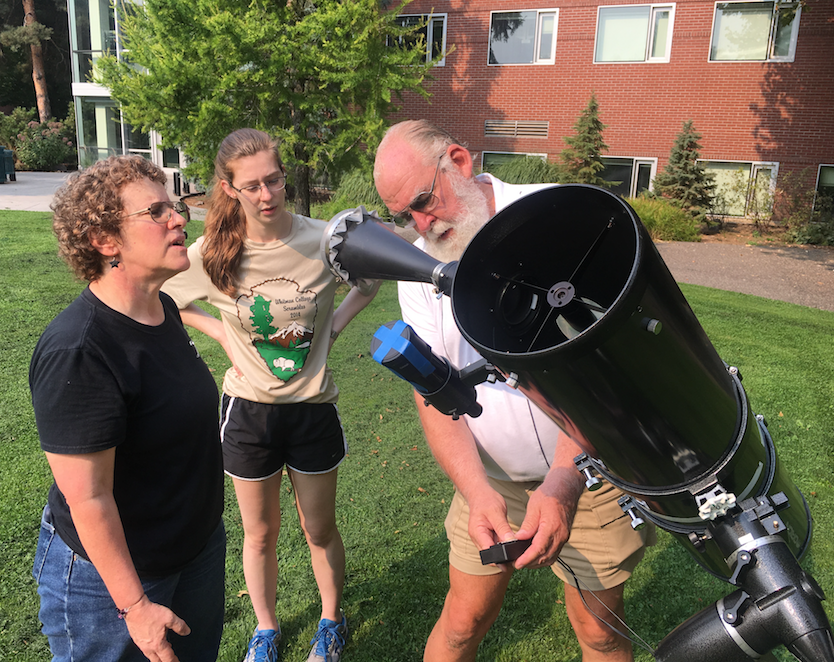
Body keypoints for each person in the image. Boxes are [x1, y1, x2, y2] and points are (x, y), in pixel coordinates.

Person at [373, 119, 655, 662]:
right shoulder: (419, 264)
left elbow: (607, 368)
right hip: (492, 480)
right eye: (405, 213)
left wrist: (563, 480)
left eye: (425, 201)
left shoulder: (559, 216)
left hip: (593, 471)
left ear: (458, 160)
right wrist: (478, 493)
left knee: (599, 631)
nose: (422, 225)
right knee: (463, 620)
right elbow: (430, 389)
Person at [161, 128, 378, 662]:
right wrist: (218, 333)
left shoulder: (323, 240)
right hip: (248, 414)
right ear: (229, 188)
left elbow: (368, 283)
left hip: (312, 411)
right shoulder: (212, 253)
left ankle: (330, 621)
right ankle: (265, 629)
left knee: (318, 528)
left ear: (285, 177)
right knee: (258, 535)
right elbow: (166, 299)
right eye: (252, 185)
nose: (267, 194)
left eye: (274, 180)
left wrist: (332, 331)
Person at [29, 155, 225, 662]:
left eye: (175, 205)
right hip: (112, 584)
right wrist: (136, 607)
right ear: (104, 240)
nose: (179, 218)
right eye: (156, 211)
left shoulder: (163, 312)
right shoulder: (81, 349)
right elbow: (88, 499)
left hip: (194, 551)